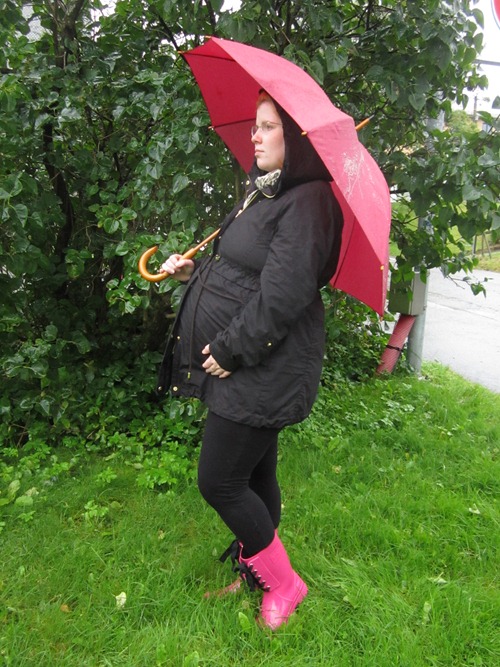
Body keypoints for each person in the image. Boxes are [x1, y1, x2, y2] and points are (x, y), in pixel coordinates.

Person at [157, 91, 343, 630]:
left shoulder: (309, 202)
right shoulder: (265, 192)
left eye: (268, 127)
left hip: (266, 364)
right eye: (256, 125)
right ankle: (256, 569)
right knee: (257, 472)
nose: (254, 136)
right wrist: (194, 274)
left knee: (219, 480)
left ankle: (285, 584)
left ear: (298, 140)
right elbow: (244, 275)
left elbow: (282, 297)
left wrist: (230, 349)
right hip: (252, 362)